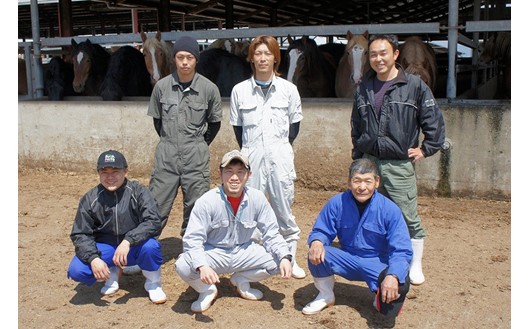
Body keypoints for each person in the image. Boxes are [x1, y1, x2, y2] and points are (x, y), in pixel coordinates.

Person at [351, 34, 445, 285]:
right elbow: (356, 126)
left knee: (407, 214)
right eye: (373, 54)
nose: (378, 59)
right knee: (372, 212)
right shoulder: (363, 88)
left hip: (398, 163)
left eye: (383, 53)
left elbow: (433, 120)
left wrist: (427, 148)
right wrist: (358, 156)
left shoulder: (414, 86)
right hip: (370, 161)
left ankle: (415, 263)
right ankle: (383, 257)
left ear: (395, 55)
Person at [175, 150, 293, 313]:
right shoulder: (206, 201)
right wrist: (202, 265)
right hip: (214, 253)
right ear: (220, 174)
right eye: (229, 171)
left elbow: (271, 233)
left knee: (284, 258)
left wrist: (285, 257)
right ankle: (207, 290)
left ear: (249, 175)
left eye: (240, 172)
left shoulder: (257, 198)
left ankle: (241, 279)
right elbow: (193, 239)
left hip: (244, 250)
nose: (234, 177)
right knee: (183, 265)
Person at [229, 35, 306, 279]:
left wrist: (277, 149)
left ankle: (290, 258)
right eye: (258, 54)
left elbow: (294, 128)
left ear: (275, 58)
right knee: (249, 208)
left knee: (284, 206)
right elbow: (238, 130)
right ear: (251, 58)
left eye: (268, 53)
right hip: (251, 156)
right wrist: (253, 151)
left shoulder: (289, 90)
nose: (263, 58)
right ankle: (253, 260)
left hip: (280, 154)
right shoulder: (239, 91)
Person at [302, 158, 412, 318]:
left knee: (390, 306)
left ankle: (380, 294)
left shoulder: (390, 210)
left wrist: (393, 275)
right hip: (347, 258)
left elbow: (402, 249)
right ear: (349, 182)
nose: (362, 187)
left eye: (368, 181)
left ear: (377, 182)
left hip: (377, 263)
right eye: (357, 181)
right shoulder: (336, 203)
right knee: (317, 252)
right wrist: (317, 241)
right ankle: (325, 295)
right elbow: (321, 230)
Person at [66, 150, 167, 304]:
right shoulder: (90, 198)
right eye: (104, 172)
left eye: (115, 171)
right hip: (106, 248)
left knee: (150, 247)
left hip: (133, 246)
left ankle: (153, 283)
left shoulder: (139, 192)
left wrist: (128, 241)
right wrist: (93, 258)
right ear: (98, 173)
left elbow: (153, 221)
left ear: (125, 172)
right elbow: (80, 234)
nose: (110, 177)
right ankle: (112, 271)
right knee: (77, 270)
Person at [148, 35, 223, 238]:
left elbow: (214, 124)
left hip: (195, 158)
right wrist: (171, 141)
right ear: (174, 59)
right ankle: (145, 251)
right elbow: (158, 122)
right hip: (167, 156)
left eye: (189, 57)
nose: (184, 62)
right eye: (180, 57)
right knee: (156, 204)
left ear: (196, 59)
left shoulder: (209, 89)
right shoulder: (161, 87)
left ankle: (192, 250)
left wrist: (197, 143)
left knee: (197, 206)